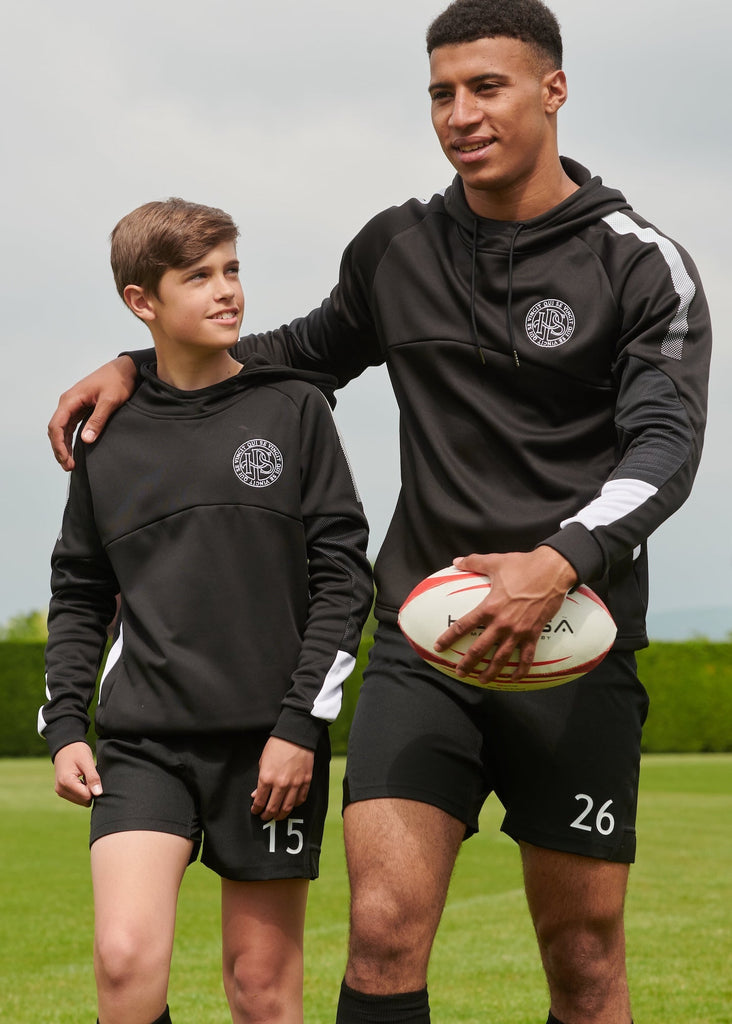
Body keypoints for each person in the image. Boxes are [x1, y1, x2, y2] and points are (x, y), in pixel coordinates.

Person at [47, 2, 713, 1022]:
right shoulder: (397, 247)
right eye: (441, 93)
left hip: (573, 644)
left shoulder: (639, 262)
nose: (460, 114)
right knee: (385, 926)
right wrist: (142, 364)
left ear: (553, 90)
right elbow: (293, 355)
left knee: (584, 956)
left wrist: (560, 560)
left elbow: (666, 447)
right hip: (422, 643)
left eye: (485, 87)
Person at [39, 197, 372, 1024]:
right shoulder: (108, 434)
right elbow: (79, 590)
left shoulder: (294, 408)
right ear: (141, 301)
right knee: (123, 961)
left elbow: (343, 579)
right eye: (198, 277)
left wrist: (300, 726)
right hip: (143, 742)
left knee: (260, 990)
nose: (227, 290)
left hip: (269, 747)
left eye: (232, 269)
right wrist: (67, 726)